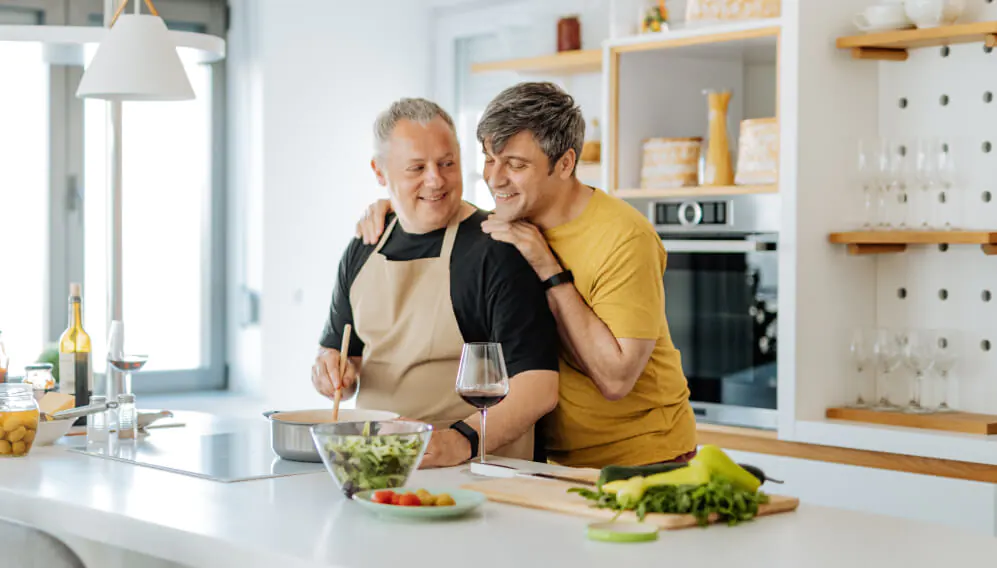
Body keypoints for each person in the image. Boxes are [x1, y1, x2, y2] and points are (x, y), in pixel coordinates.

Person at [355, 83, 697, 468]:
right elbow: (439, 204)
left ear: (565, 164)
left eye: (516, 165)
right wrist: (393, 204)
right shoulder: (511, 213)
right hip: (549, 462)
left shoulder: (624, 237)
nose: (495, 179)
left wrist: (549, 268)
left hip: (640, 458)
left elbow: (616, 379)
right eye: (489, 158)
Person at [312, 98, 559, 468]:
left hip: (470, 470)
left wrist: (462, 441)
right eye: (417, 168)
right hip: (376, 463)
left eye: (447, 163)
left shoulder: (495, 248)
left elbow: (539, 387)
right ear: (380, 172)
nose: (436, 180)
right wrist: (331, 370)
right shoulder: (363, 247)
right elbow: (342, 359)